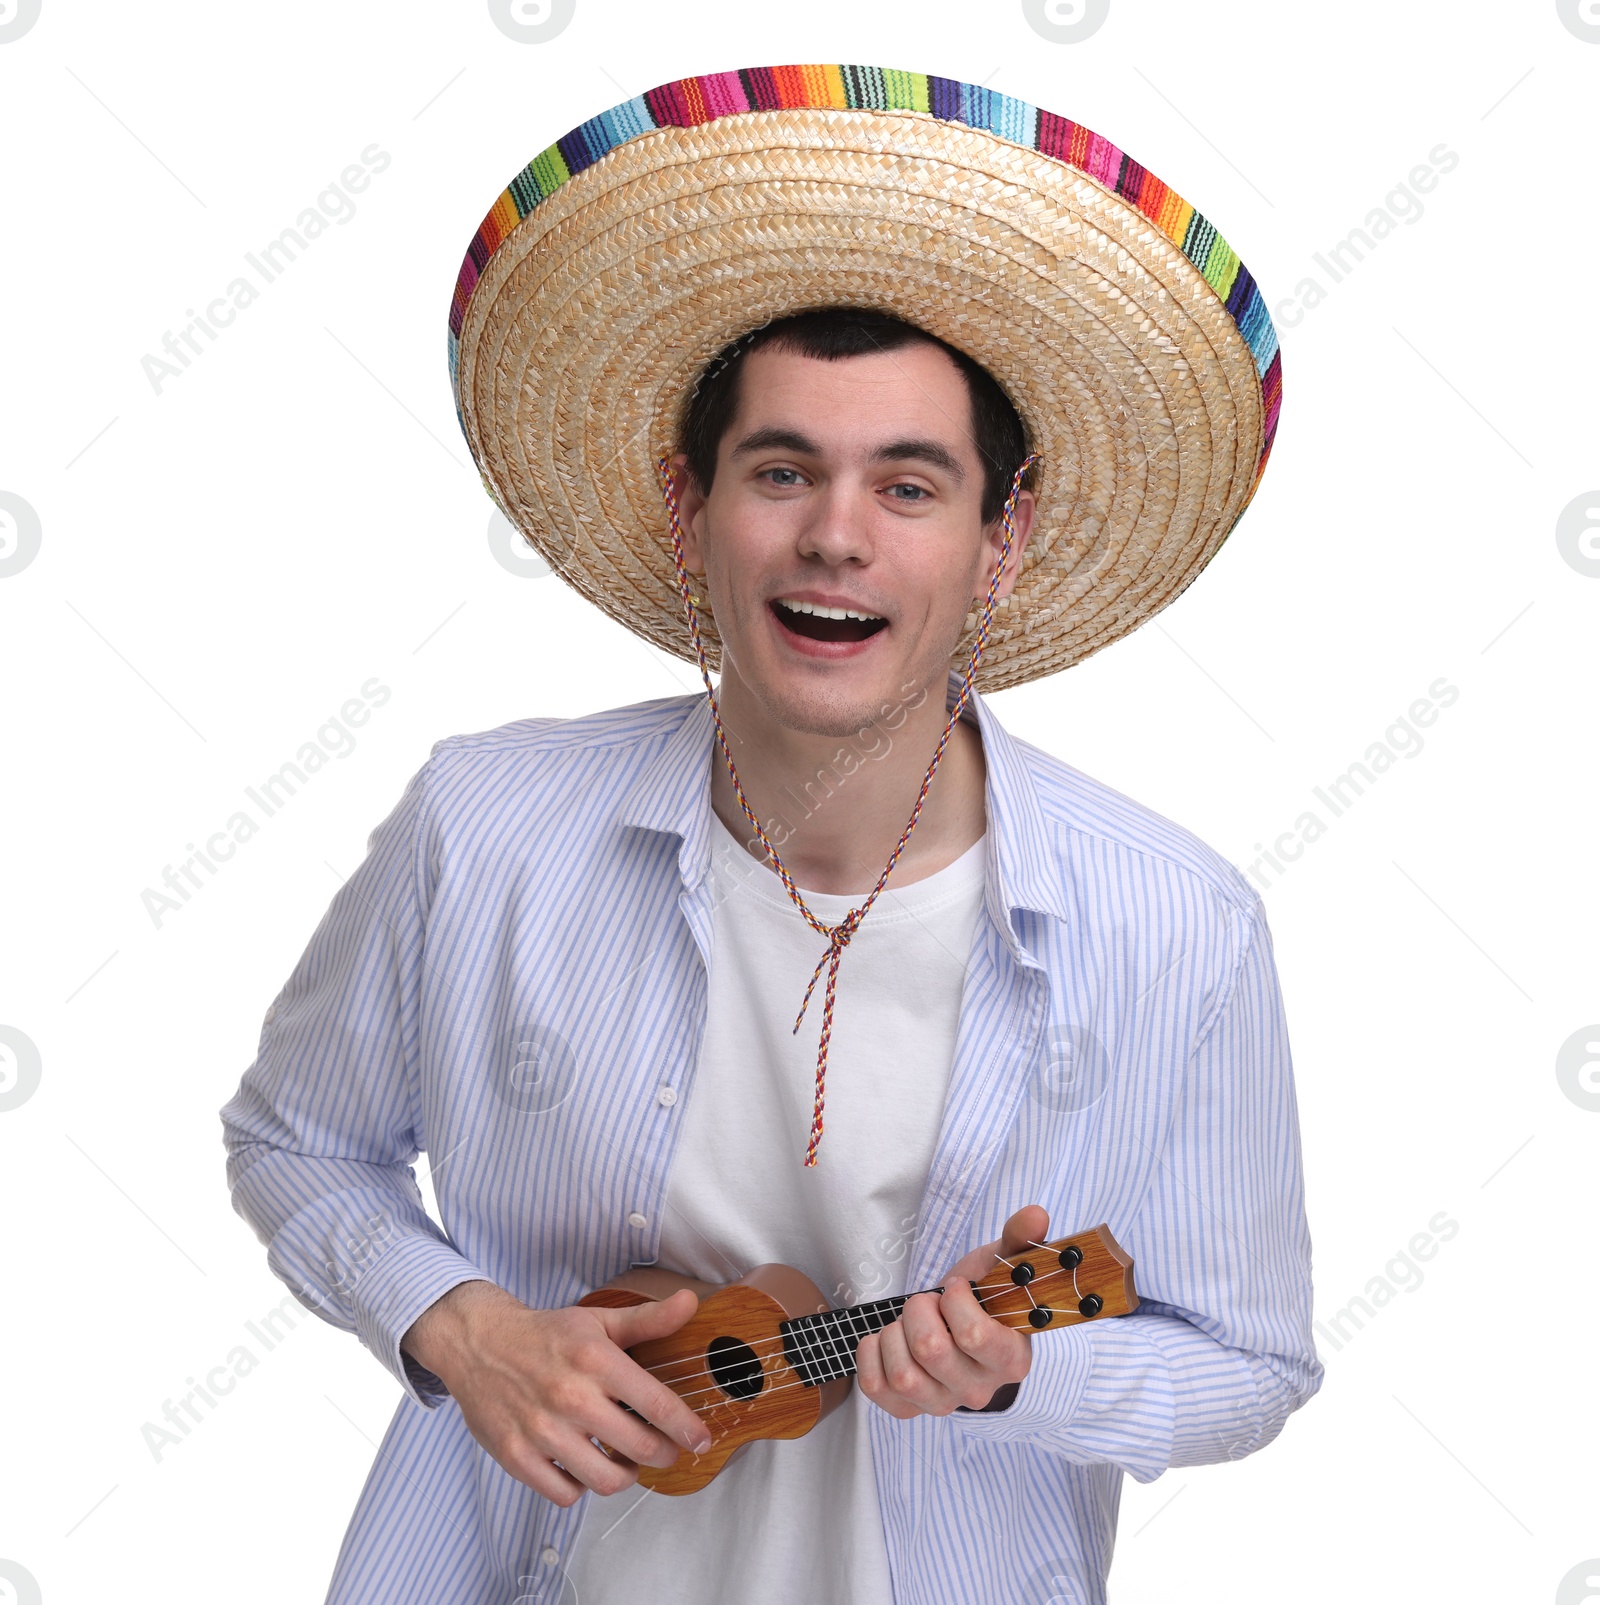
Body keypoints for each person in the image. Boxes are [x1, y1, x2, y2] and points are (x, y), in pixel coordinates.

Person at [219, 63, 1321, 1605]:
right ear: (691, 507)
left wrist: (1023, 1378)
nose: (836, 534)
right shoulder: (483, 826)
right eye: (782, 469)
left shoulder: (1177, 925)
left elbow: (1253, 1358)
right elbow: (294, 1141)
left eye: (910, 483)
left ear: (1001, 540)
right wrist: (461, 1325)